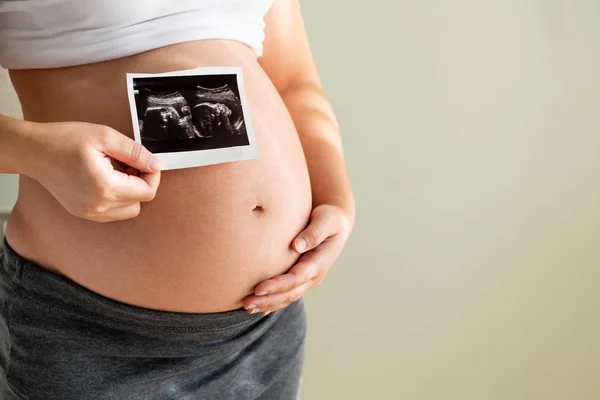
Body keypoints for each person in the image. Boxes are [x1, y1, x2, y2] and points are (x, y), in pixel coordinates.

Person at [0, 0, 354, 399]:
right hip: (98, 335)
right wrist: (36, 153)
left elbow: (292, 80)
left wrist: (336, 198)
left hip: (266, 327)